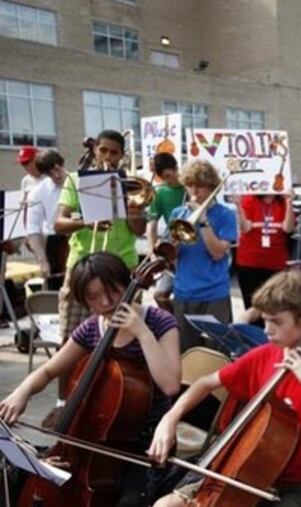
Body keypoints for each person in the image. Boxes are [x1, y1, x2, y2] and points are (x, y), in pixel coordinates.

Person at [149, 270, 301, 507]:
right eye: (265, 320)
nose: (267, 330)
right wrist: (169, 419)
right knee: (165, 505)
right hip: (247, 469)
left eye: (277, 322)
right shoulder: (263, 355)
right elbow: (204, 383)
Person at [0, 252, 181, 506]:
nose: (106, 302)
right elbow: (48, 371)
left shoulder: (160, 322)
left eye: (112, 291)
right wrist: (24, 390)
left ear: (127, 283)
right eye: (93, 297)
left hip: (145, 444)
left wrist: (142, 332)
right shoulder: (91, 328)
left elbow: (171, 385)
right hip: (93, 441)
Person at [51, 129, 146, 428]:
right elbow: (59, 223)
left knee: (121, 341)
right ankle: (63, 403)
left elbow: (140, 230)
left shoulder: (130, 185)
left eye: (114, 152)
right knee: (69, 338)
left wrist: (134, 210)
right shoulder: (75, 181)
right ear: (96, 151)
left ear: (121, 156)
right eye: (103, 150)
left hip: (121, 269)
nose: (107, 157)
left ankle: (108, 402)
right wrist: (86, 220)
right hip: (82, 268)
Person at [170, 160, 237, 352]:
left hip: (214, 294)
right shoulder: (178, 213)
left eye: (199, 186)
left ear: (212, 187)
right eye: (190, 185)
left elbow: (217, 254)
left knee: (216, 351)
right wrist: (171, 243)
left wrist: (203, 222)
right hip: (184, 293)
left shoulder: (225, 215)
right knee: (186, 351)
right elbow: (172, 257)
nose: (194, 192)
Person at [234, 191, 295, 314]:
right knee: (252, 306)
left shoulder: (283, 201)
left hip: (276, 263)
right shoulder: (249, 199)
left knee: (276, 306)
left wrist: (289, 203)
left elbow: (288, 228)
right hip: (250, 262)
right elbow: (244, 228)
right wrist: (238, 206)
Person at [146, 153, 186, 311]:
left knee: (185, 295)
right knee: (160, 295)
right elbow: (152, 223)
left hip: (192, 244)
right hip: (172, 245)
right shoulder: (160, 192)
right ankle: (173, 324)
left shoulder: (190, 188)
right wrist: (152, 252)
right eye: (164, 178)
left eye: (170, 175)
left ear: (177, 168)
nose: (169, 180)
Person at [26, 149, 69, 290]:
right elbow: (33, 228)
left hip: (81, 235)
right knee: (58, 289)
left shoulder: (78, 182)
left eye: (58, 169)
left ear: (62, 164)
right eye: (50, 173)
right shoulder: (38, 192)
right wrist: (42, 260)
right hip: (56, 244)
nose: (56, 175)